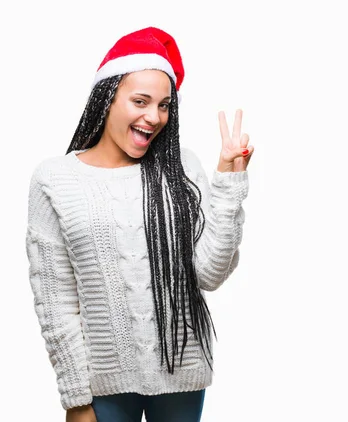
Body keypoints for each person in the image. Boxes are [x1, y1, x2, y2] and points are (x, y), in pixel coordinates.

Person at [25, 26, 253, 422]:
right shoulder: (55, 179)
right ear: (107, 97)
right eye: (141, 101)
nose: (155, 117)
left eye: (164, 105)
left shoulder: (181, 167)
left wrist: (228, 183)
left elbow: (209, 274)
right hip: (102, 385)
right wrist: (75, 398)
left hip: (182, 372)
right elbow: (56, 301)